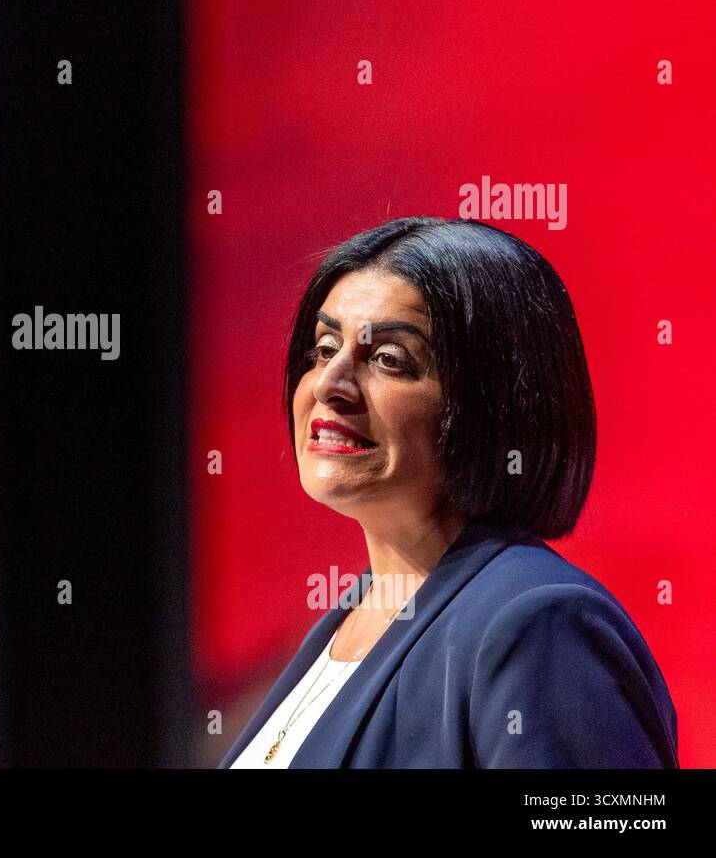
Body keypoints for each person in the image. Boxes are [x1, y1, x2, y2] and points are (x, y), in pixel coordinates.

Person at [220, 216, 678, 768]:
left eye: (389, 359)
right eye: (324, 349)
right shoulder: (347, 620)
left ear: (493, 406)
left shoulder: (537, 623)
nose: (328, 384)